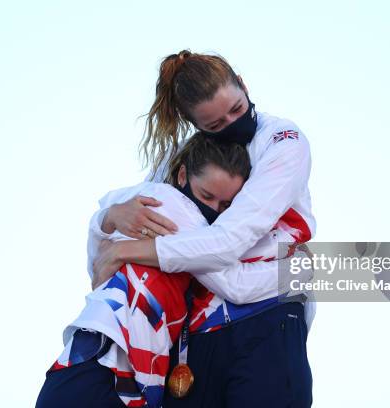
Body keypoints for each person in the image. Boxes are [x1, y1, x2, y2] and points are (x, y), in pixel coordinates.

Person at [91, 50, 316, 407]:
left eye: (237, 110)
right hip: (194, 337)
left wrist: (132, 250)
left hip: (266, 317)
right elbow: (138, 212)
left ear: (243, 85)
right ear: (192, 122)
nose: (230, 124)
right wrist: (109, 218)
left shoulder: (282, 142)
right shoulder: (182, 157)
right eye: (213, 124)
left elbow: (226, 243)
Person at [36, 134, 307, 408]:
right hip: (105, 369)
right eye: (207, 196)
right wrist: (307, 272)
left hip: (110, 362)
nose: (212, 211)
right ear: (181, 177)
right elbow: (232, 283)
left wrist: (107, 226)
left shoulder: (139, 200)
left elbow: (98, 260)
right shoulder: (175, 210)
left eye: (226, 206)